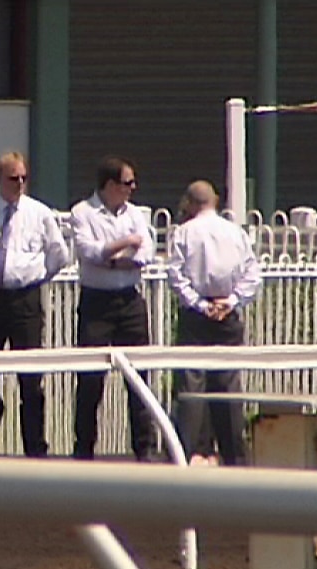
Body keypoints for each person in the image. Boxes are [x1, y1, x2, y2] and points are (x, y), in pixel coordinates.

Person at [0, 150, 70, 457]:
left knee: (30, 376)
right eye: (14, 178)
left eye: (24, 177)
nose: (20, 183)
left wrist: (36, 276)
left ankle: (35, 447)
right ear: (0, 179)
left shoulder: (39, 213)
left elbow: (59, 255)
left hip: (25, 299)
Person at [167, 179, 262, 467]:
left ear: (190, 203)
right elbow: (253, 275)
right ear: (216, 201)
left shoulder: (183, 233)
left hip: (197, 315)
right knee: (228, 385)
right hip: (227, 311)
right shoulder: (235, 232)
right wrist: (232, 301)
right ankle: (234, 454)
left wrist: (199, 304)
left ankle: (186, 453)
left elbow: (176, 275)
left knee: (191, 386)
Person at [69, 156, 157, 462]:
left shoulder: (135, 214)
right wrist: (123, 244)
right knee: (90, 377)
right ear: (109, 185)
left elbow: (146, 250)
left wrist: (117, 257)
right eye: (127, 183)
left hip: (129, 299)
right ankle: (83, 449)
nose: (133, 188)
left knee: (138, 374)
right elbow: (88, 251)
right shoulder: (82, 212)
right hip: (96, 302)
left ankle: (143, 448)